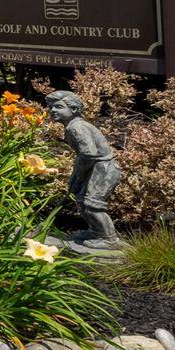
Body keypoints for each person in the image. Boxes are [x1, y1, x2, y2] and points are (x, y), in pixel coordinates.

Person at [45, 90, 123, 249]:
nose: (53, 110)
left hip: (104, 169)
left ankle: (110, 239)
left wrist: (78, 175)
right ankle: (96, 231)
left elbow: (88, 154)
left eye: (59, 106)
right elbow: (85, 156)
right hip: (95, 167)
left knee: (92, 204)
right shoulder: (72, 126)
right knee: (81, 200)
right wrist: (76, 175)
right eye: (51, 107)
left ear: (73, 109)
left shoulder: (77, 127)